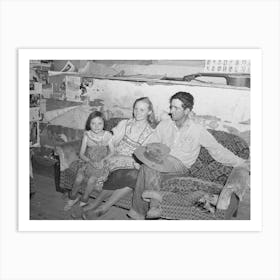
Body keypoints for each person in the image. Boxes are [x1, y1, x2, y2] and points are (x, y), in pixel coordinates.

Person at [127, 91, 250, 220]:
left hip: (179, 167)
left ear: (186, 111)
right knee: (146, 168)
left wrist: (241, 162)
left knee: (150, 166)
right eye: (171, 107)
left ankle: (143, 211)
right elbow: (150, 144)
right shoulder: (164, 125)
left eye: (176, 108)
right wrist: (143, 158)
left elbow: (217, 150)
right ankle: (147, 212)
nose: (171, 111)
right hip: (159, 163)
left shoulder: (197, 130)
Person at [82, 97, 156, 218]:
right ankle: (99, 205)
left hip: (132, 163)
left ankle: (101, 206)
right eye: (136, 109)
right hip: (114, 159)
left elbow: (145, 156)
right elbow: (111, 142)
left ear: (149, 112)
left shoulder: (151, 133)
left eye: (142, 110)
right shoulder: (125, 124)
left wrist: (134, 161)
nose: (137, 112)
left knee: (135, 175)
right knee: (130, 175)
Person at [64, 111, 113, 211]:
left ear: (104, 124)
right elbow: (82, 154)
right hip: (88, 161)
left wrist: (103, 160)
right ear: (89, 124)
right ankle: (73, 197)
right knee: (78, 178)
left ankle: (84, 199)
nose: (96, 126)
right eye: (93, 123)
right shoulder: (87, 135)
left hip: (101, 163)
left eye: (99, 123)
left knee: (92, 180)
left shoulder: (107, 135)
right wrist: (90, 161)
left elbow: (112, 152)